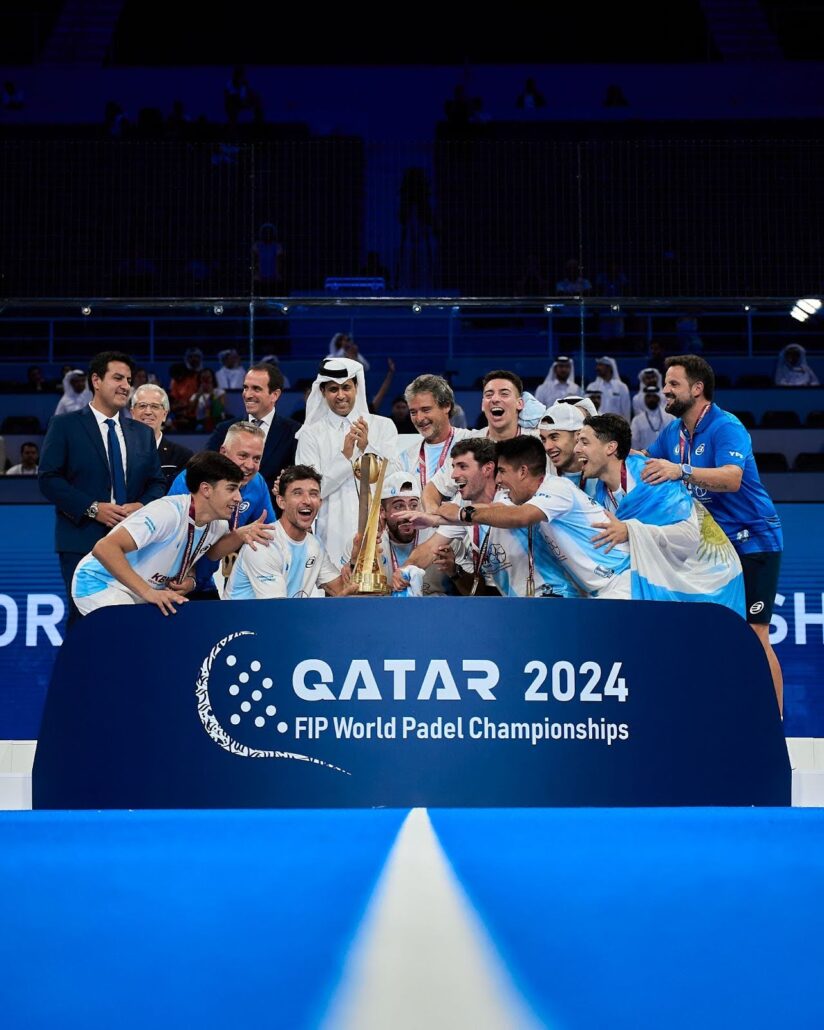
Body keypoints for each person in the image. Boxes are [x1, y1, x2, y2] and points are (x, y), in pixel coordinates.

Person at [641, 355, 784, 713]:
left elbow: (732, 479)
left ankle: (774, 723)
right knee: (711, 634)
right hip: (713, 550)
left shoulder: (725, 426)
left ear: (697, 389)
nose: (665, 391)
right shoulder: (673, 432)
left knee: (754, 635)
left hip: (754, 541)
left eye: (673, 384)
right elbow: (645, 461)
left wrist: (681, 470)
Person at [39, 350, 167, 626]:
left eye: (129, 380)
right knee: (85, 620)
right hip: (82, 538)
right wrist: (93, 508)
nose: (125, 385)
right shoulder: (65, 425)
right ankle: (80, 670)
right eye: (117, 378)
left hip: (133, 542)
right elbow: (48, 479)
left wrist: (141, 506)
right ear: (96, 380)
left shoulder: (142, 433)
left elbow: (157, 483)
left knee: (133, 619)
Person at [573, 413, 744, 615]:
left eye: (584, 442)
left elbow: (688, 536)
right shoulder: (599, 493)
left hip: (708, 575)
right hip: (659, 573)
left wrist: (630, 530)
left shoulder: (653, 476)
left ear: (611, 447)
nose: (576, 450)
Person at [422, 435, 631, 599]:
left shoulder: (557, 488)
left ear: (522, 471)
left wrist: (461, 512)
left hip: (622, 580)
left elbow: (519, 516)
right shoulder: (533, 499)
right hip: (601, 590)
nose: (500, 479)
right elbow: (494, 509)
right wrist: (434, 519)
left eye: (502, 471)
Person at [72, 452, 271, 617]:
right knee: (132, 640)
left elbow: (209, 553)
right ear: (206, 489)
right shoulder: (167, 512)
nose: (238, 498)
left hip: (138, 591)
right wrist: (149, 592)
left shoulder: (217, 525)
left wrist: (240, 535)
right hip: (98, 582)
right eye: (231, 489)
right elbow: (104, 548)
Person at [397, 438, 570, 599]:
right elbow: (429, 548)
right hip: (516, 602)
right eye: (454, 466)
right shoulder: (463, 507)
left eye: (462, 466)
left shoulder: (512, 496)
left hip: (555, 595)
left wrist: (453, 514)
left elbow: (497, 512)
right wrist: (406, 569)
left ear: (487, 469)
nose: (454, 475)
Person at [295, 356, 398, 567]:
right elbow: (311, 492)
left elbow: (394, 481)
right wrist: (345, 457)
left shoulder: (383, 426)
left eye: (346, 387)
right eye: (333, 389)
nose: (341, 395)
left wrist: (366, 448)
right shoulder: (310, 435)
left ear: (357, 388)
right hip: (330, 534)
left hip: (379, 532)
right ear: (323, 392)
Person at [169, 422, 276, 598]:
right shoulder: (190, 480)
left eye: (257, 458)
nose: (250, 465)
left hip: (204, 580)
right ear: (223, 452)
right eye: (243, 455)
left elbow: (269, 533)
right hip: (170, 578)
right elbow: (175, 542)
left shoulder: (257, 483)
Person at [225, 464, 355, 600]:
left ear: (320, 502)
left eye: (313, 494)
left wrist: (357, 560)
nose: (307, 501)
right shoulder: (263, 543)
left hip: (282, 618)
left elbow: (342, 590)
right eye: (297, 493)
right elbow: (279, 609)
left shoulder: (315, 545)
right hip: (243, 621)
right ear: (281, 502)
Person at [207, 363, 299, 494]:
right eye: (245, 388)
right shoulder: (224, 430)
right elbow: (206, 469)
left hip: (274, 510)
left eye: (256, 389)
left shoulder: (294, 433)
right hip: (228, 510)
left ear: (275, 395)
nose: (247, 395)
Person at [130, 384, 193, 487]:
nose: (148, 412)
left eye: (155, 406)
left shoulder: (183, 456)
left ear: (164, 415)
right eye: (142, 406)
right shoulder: (119, 451)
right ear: (132, 413)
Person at [538, 403, 593, 492]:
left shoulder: (601, 472)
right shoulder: (539, 474)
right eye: (543, 439)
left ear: (578, 436)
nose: (547, 447)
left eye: (554, 437)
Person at [631, 385, 675, 452]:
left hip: (666, 458)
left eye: (654, 396)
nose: (651, 399)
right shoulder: (637, 421)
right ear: (644, 399)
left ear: (658, 398)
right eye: (648, 397)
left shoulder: (670, 418)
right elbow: (634, 443)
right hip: (644, 459)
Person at [586, 356, 631, 421]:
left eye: (600, 365)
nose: (597, 368)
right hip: (597, 425)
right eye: (597, 365)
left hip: (616, 426)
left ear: (609, 367)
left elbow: (626, 411)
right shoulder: (592, 387)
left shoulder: (622, 387)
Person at [189, 367, 225, 432]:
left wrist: (212, 394)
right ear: (199, 380)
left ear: (212, 378)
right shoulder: (195, 396)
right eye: (203, 378)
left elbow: (220, 409)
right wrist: (198, 395)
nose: (206, 380)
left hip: (216, 421)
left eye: (208, 377)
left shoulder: (220, 392)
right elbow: (190, 411)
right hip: (200, 422)